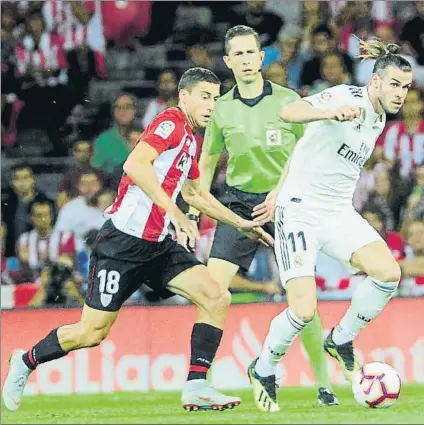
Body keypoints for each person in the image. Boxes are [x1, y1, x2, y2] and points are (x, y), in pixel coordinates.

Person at [2, 67, 272, 413]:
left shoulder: (192, 138)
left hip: (158, 245)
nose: (211, 105)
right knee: (90, 333)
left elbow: (195, 194)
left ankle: (196, 386)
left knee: (216, 295)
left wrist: (241, 223)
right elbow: (135, 164)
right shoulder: (171, 122)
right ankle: (24, 361)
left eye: (216, 98)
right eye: (205, 96)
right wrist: (173, 213)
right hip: (122, 244)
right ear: (184, 96)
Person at [248, 39, 412, 412]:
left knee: (388, 273)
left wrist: (278, 186)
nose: (401, 94)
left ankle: (341, 339)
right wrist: (330, 110)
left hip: (337, 212)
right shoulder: (344, 97)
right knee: (304, 311)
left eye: (405, 87)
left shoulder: (379, 117)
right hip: (301, 212)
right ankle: (264, 368)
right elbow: (289, 113)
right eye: (394, 85)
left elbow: (304, 149)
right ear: (375, 82)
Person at [186, 25, 338, 409]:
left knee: (303, 299)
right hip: (238, 204)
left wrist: (293, 195)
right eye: (237, 54)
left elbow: (309, 155)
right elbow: (207, 161)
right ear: (228, 61)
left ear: (261, 56)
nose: (246, 60)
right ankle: (199, 382)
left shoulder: (287, 100)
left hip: (285, 204)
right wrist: (194, 205)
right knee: (211, 290)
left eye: (251, 52)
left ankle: (323, 385)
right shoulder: (221, 108)